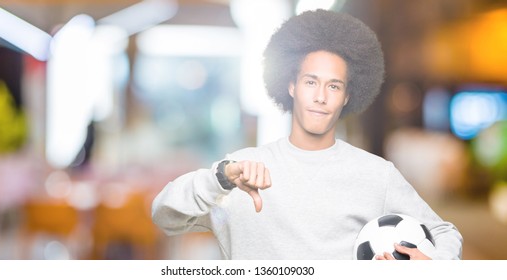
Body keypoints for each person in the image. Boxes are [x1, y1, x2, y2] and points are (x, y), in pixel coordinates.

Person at [151, 9, 463, 260]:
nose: (321, 96)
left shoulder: (376, 175)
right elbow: (164, 216)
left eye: (334, 86)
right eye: (311, 82)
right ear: (291, 86)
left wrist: (433, 265)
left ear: (346, 96)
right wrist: (220, 178)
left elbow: (446, 233)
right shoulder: (240, 170)